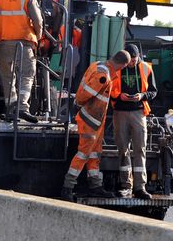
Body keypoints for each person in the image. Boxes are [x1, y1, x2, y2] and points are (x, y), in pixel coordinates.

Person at [61, 50, 131, 201]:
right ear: (122, 65)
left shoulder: (98, 66)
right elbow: (83, 95)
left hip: (95, 121)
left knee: (94, 154)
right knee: (84, 154)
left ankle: (95, 185)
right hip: (90, 120)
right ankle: (68, 187)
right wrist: (79, 105)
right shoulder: (103, 76)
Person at [110, 44, 157, 199]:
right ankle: (126, 186)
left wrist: (142, 96)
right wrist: (118, 96)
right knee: (123, 150)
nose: (131, 63)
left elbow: (153, 91)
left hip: (138, 112)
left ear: (138, 57)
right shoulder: (117, 67)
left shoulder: (146, 68)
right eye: (130, 60)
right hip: (120, 112)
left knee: (140, 149)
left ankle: (140, 187)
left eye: (134, 60)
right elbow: (108, 88)